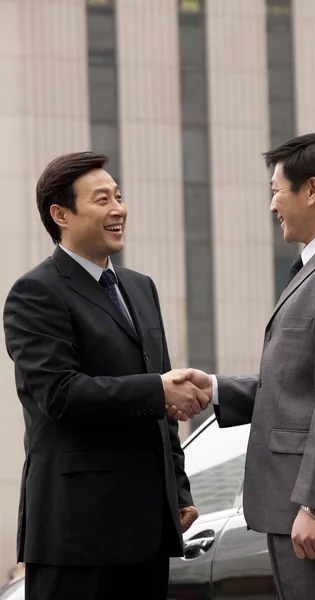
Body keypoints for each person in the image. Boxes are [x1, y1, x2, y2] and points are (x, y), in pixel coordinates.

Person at [172, 133, 315, 600]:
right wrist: (213, 388)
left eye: (277, 190)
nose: (273, 205)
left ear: (311, 190)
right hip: (298, 516)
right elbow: (299, 385)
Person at [3, 152, 208, 600]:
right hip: (77, 534)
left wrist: (178, 489)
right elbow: (59, 394)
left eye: (119, 196)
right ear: (60, 214)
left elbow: (163, 402)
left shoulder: (140, 287)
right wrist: (158, 389)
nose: (118, 209)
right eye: (102, 199)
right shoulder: (35, 292)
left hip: (146, 531)